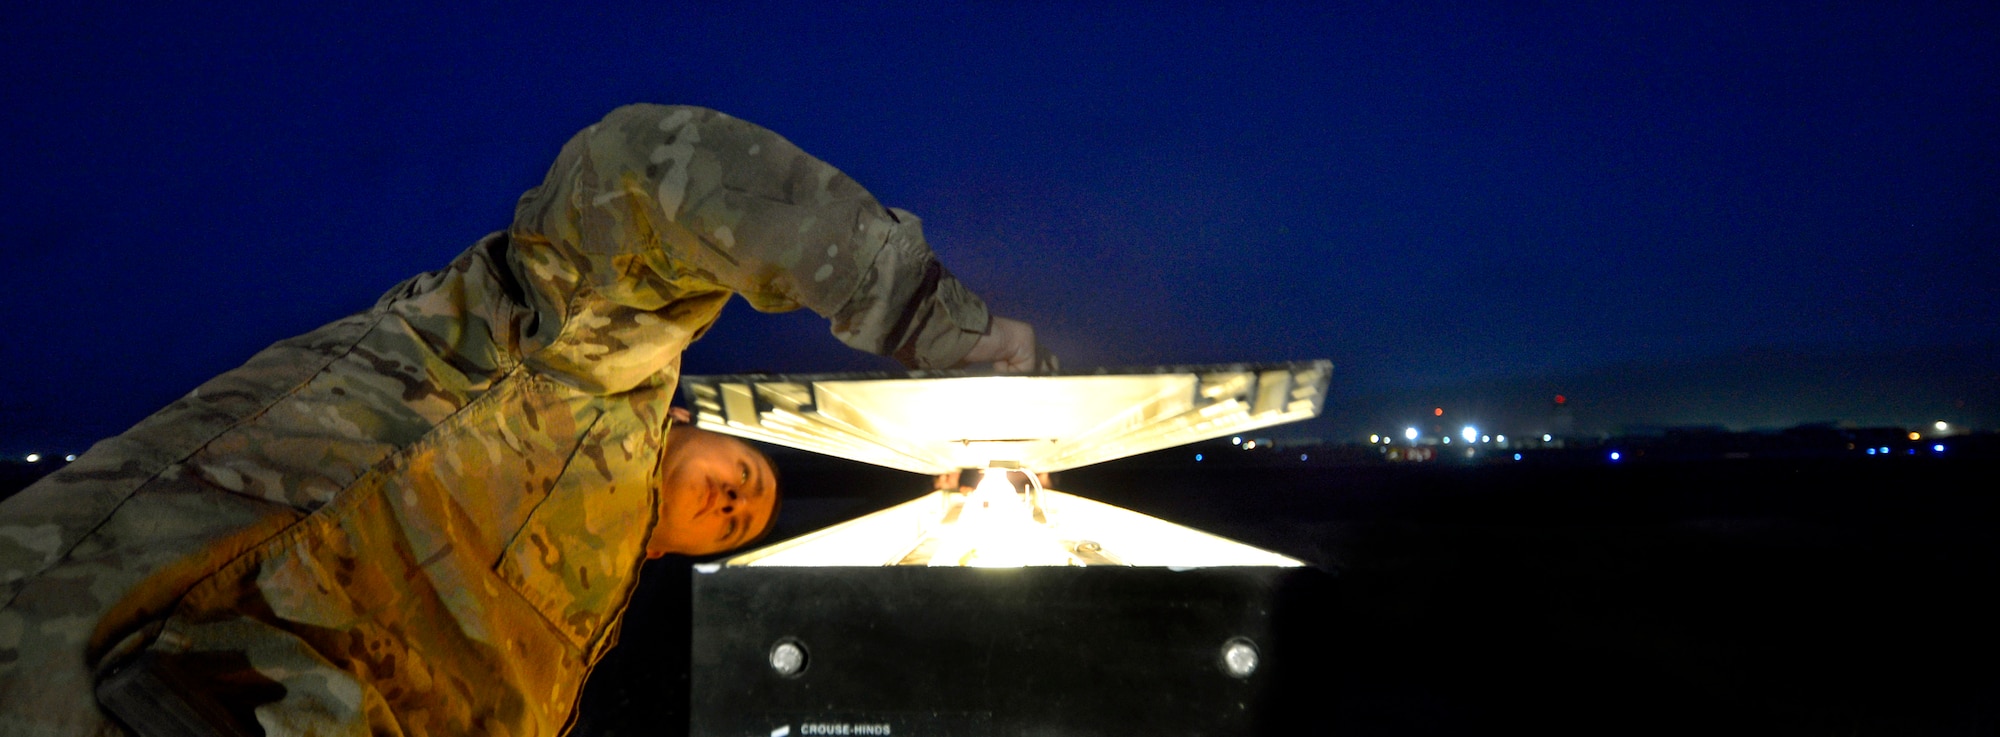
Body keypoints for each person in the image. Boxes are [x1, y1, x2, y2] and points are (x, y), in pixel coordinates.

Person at [0, 104, 1051, 735]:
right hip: (97, 674)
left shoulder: (585, 599)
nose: (737, 501)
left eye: (738, 522)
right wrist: (939, 325)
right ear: (689, 417)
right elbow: (645, 168)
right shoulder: (575, 360)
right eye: (749, 476)